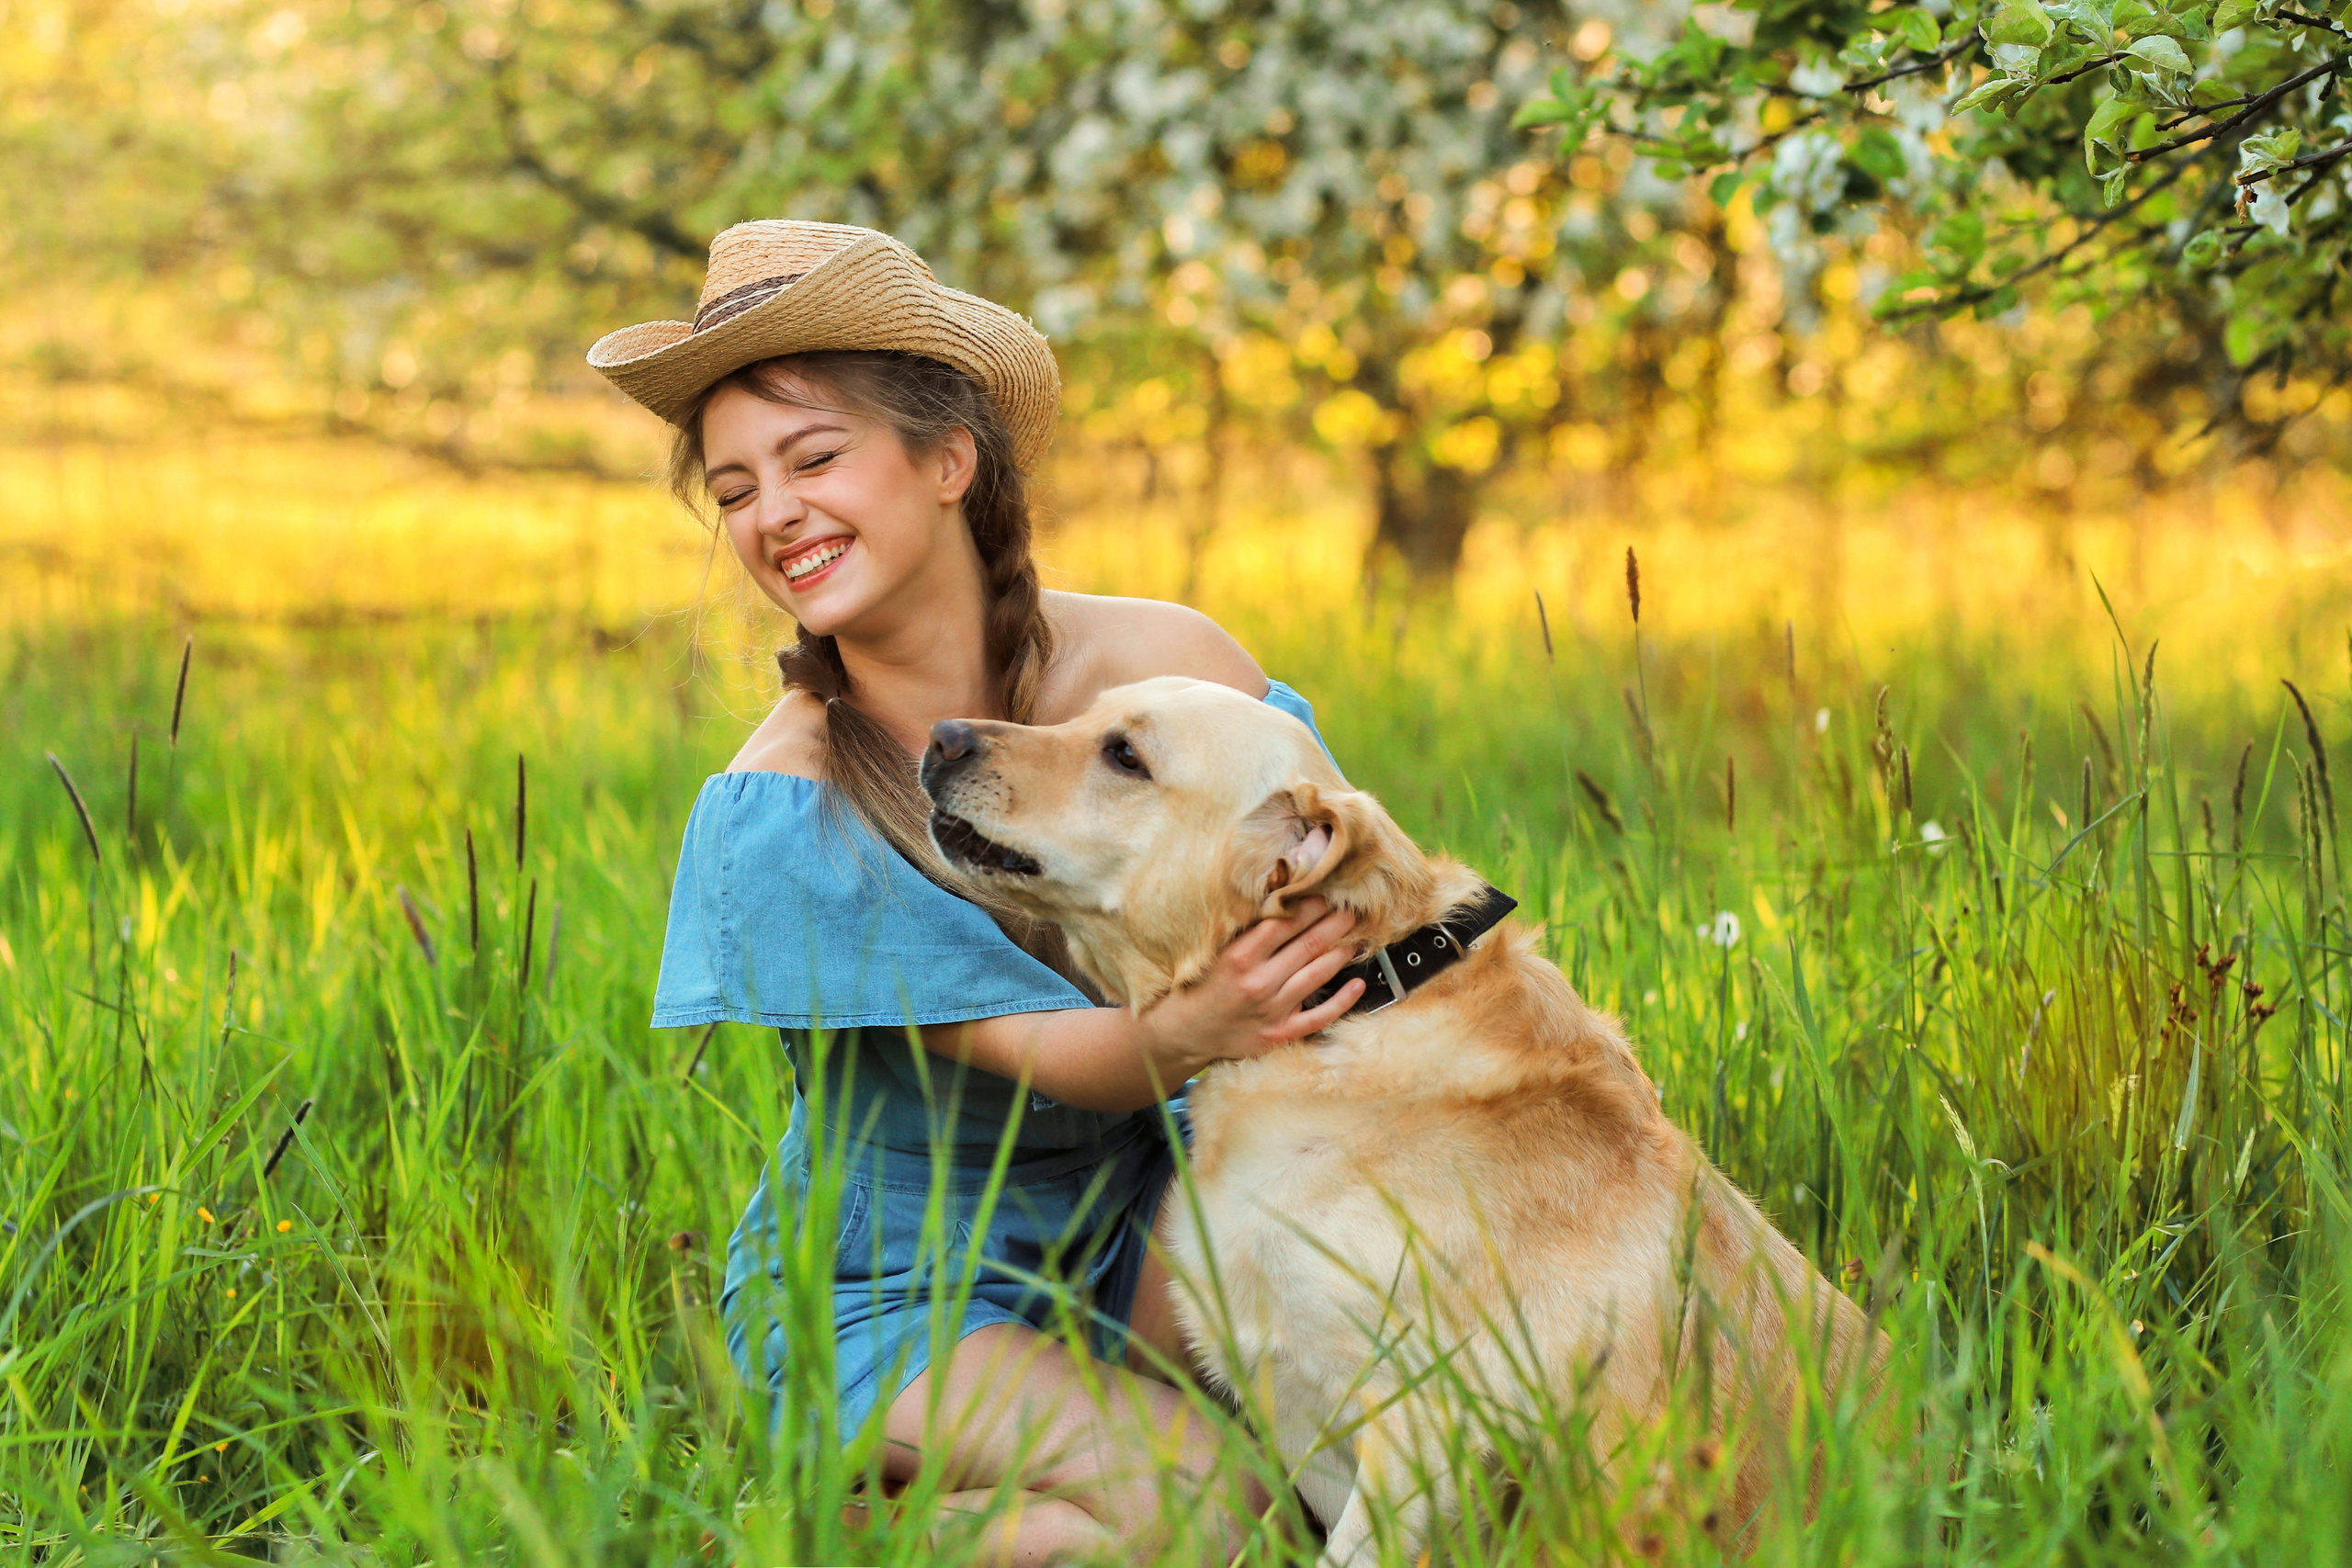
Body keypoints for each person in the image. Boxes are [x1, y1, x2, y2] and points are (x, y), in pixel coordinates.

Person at [589, 219, 1366, 1563]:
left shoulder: (1168, 668)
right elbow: (1047, 1056)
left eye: (813, 457)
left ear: (949, 458)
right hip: (902, 1293)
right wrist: (1189, 1032)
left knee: (1330, 1488)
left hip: (1150, 1221)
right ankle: (830, 1535)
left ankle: (979, 1517)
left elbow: (1343, 912)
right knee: (1219, 1513)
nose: (773, 514)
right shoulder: (786, 807)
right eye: (733, 490)